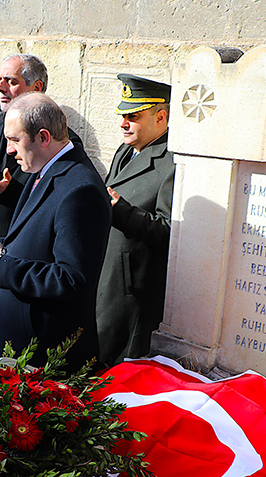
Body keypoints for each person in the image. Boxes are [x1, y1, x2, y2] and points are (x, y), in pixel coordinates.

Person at [0, 93, 110, 373]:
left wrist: (4, 265)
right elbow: (43, 241)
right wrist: (3, 247)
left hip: (40, 354)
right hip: (19, 342)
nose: (9, 150)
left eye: (14, 140)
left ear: (44, 137)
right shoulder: (44, 168)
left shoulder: (79, 189)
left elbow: (73, 278)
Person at [0, 54, 82, 358]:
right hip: (4, 263)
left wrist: (7, 193)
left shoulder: (69, 169)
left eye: (10, 81)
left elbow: (69, 277)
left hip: (34, 331)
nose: (0, 87)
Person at [96, 74, 175, 367]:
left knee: (115, 370)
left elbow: (168, 231)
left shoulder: (171, 162)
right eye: (123, 115)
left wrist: (122, 212)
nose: (123, 123)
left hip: (131, 291)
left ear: (161, 117)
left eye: (133, 116)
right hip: (106, 276)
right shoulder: (126, 149)